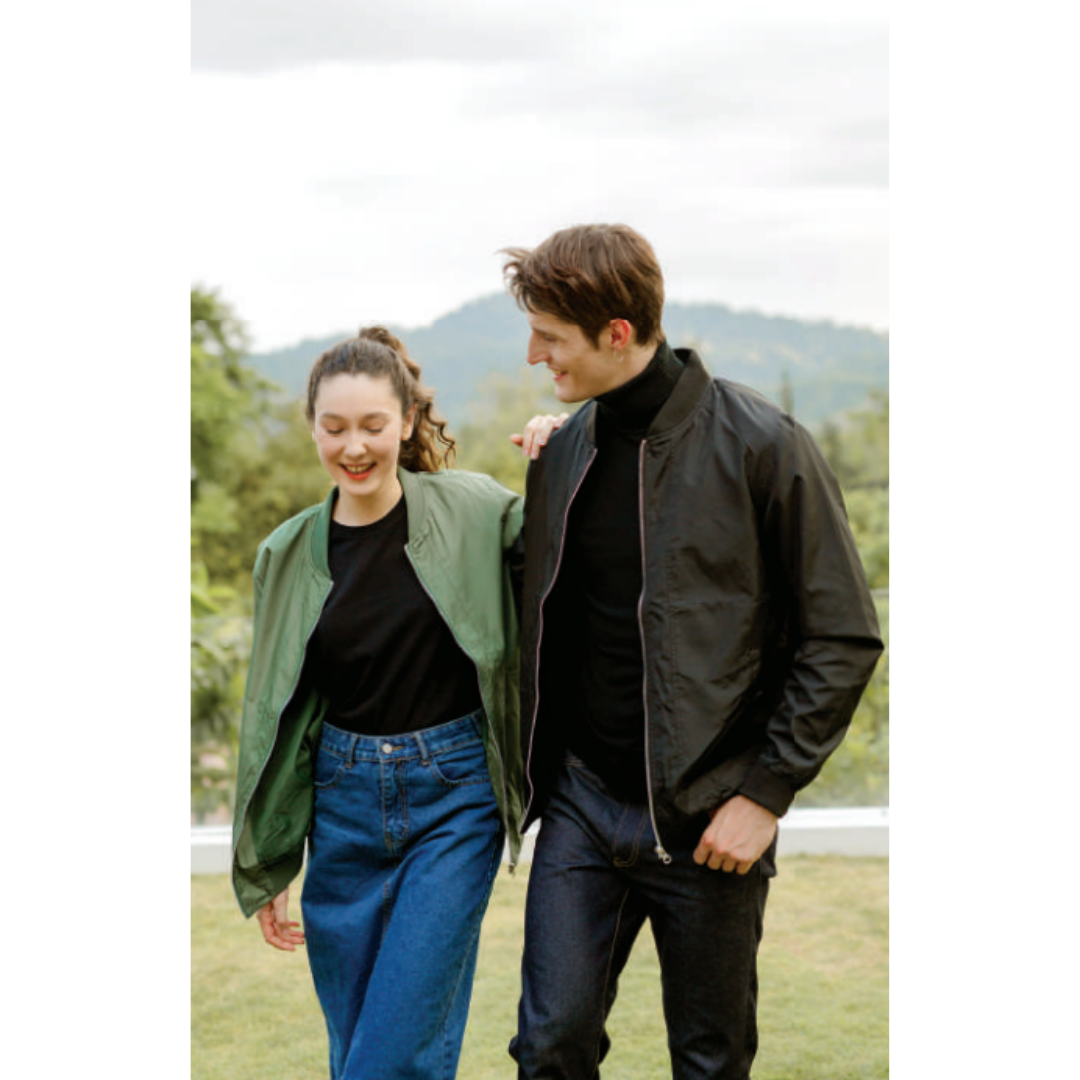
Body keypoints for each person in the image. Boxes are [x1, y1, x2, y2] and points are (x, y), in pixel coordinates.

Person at [500, 224, 884, 1079]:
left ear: (617, 333)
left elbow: (841, 634)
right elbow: (535, 605)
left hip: (712, 814)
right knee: (550, 1047)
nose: (533, 356)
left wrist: (765, 793)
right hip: (580, 807)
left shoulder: (764, 444)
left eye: (550, 337)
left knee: (710, 1062)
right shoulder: (562, 454)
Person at [230, 326, 556, 1080]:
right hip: (340, 808)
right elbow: (272, 713)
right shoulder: (285, 553)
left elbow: (567, 553)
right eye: (335, 427)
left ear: (407, 421)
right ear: (313, 428)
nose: (354, 447)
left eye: (373, 425)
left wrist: (562, 451)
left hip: (454, 801)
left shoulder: (475, 509)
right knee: (355, 1043)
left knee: (394, 1047)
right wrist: (269, 857)